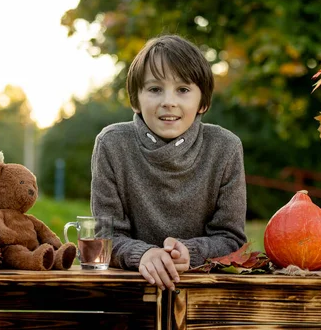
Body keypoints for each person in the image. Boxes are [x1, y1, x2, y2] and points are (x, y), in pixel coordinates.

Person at [90, 34, 247, 291]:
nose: (169, 102)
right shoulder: (112, 144)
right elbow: (105, 237)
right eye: (154, 89)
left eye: (183, 90)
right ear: (135, 99)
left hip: (204, 290)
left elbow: (231, 239)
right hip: (129, 289)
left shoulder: (225, 148)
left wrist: (189, 251)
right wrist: (144, 254)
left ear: (203, 102)